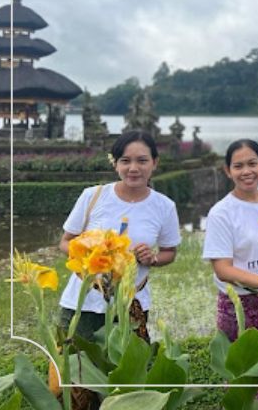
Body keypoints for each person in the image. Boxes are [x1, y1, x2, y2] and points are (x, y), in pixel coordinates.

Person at [59, 131, 181, 342]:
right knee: (75, 366)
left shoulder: (164, 206)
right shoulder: (93, 196)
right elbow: (65, 242)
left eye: (142, 160)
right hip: (84, 300)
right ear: (115, 164)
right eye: (125, 161)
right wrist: (93, 256)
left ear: (154, 163)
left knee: (126, 368)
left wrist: (152, 259)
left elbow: (169, 252)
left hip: (131, 303)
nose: (133, 168)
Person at [203, 139, 258, 343]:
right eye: (238, 166)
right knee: (243, 369)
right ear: (227, 170)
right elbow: (223, 270)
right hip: (240, 304)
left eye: (252, 164)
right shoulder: (222, 213)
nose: (246, 171)